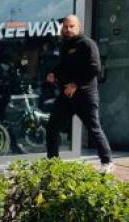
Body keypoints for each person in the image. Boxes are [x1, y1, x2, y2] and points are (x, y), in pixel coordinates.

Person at [45, 14, 114, 172]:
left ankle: (107, 162)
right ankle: (52, 164)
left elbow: (95, 68)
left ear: (79, 27)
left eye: (72, 26)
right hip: (67, 96)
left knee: (93, 128)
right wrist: (54, 73)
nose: (68, 29)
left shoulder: (87, 44)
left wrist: (75, 84)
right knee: (52, 127)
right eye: (66, 27)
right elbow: (64, 66)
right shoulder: (65, 45)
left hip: (85, 95)